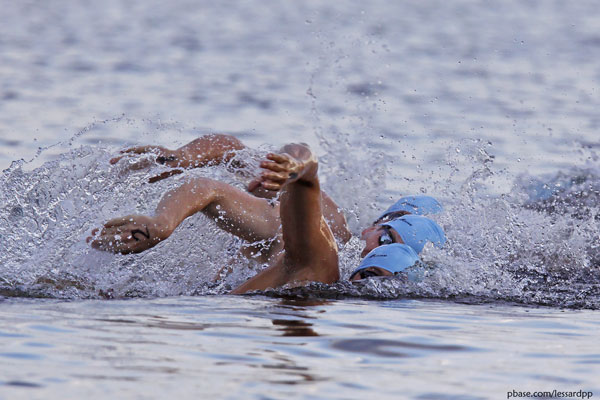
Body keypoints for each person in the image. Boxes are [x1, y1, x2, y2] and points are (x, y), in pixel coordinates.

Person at [89, 135, 445, 293]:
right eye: (384, 237)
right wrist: (180, 161)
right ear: (375, 223)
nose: (368, 253)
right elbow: (225, 169)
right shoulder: (323, 239)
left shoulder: (327, 266)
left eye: (373, 273)